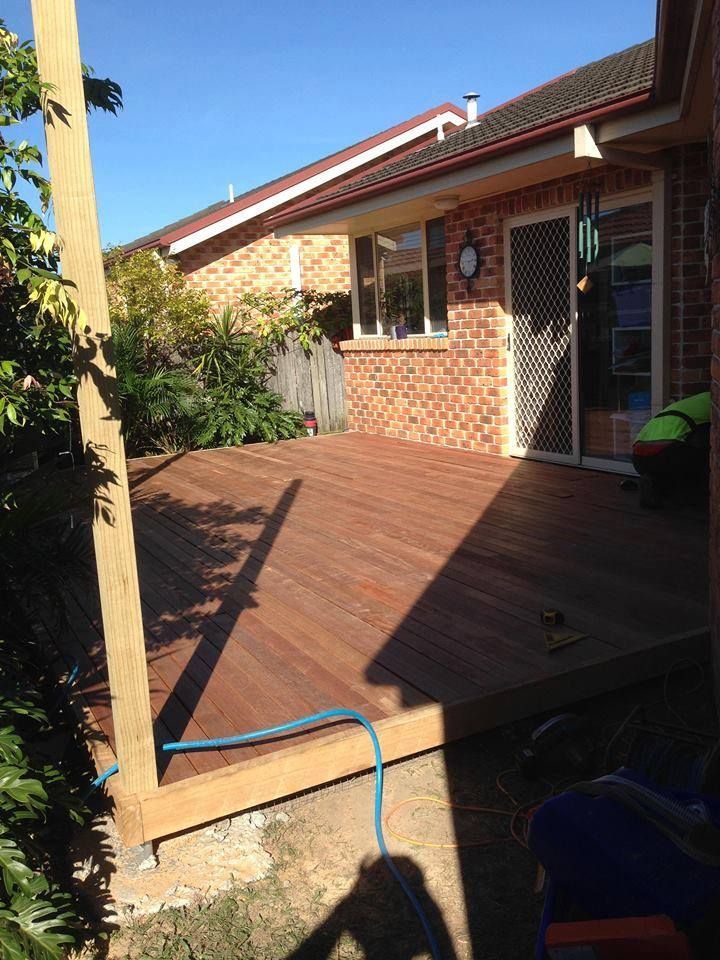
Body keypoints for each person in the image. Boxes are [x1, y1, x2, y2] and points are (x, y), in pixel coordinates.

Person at [632, 391, 711, 507]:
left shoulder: (695, 401)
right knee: (707, 453)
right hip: (667, 454)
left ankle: (655, 483)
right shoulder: (714, 402)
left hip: (638, 457)